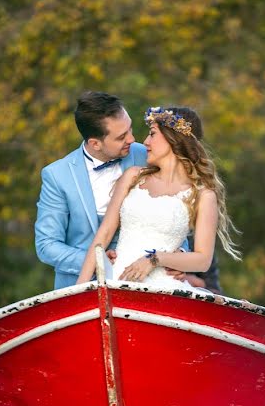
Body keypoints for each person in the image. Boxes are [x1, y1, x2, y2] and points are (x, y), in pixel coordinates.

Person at [76, 106, 240, 288]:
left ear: (173, 139)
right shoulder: (133, 177)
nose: (145, 141)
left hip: (165, 288)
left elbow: (202, 260)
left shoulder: (203, 195)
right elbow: (103, 235)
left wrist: (154, 259)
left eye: (152, 134)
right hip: (117, 280)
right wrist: (79, 288)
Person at [35, 91, 148, 289]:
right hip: (80, 287)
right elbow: (47, 246)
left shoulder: (146, 155)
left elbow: (173, 210)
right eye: (122, 136)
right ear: (95, 143)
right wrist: (97, 261)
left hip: (145, 282)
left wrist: (176, 255)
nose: (132, 138)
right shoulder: (57, 175)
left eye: (129, 129)